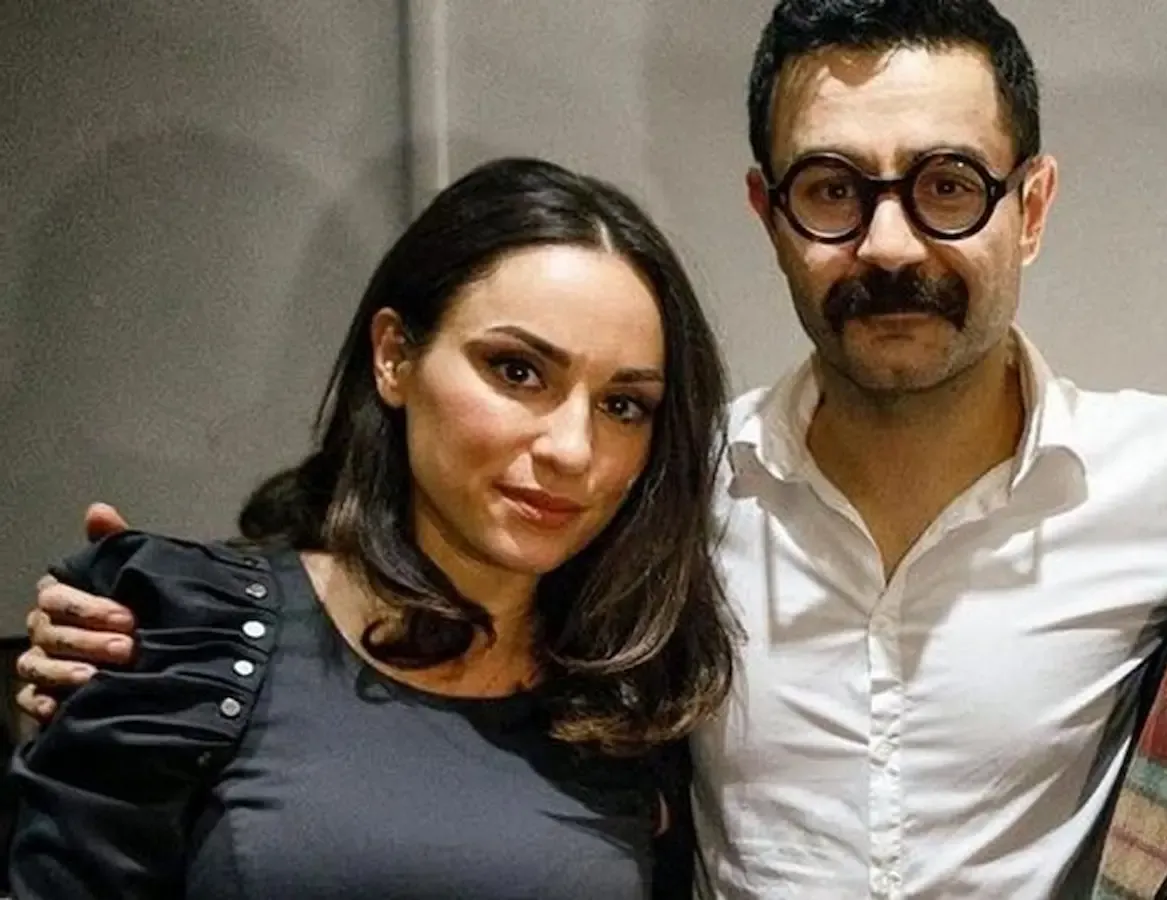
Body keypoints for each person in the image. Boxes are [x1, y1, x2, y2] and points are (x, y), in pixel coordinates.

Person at [15, 1, 1167, 898]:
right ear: (769, 212)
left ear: (1031, 206)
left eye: (948, 185)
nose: (890, 244)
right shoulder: (663, 507)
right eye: (833, 189)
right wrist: (140, 642)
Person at [4, 156, 741, 899]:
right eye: (518, 371)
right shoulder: (198, 639)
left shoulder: (635, 700)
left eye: (623, 406)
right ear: (394, 357)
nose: (572, 449)